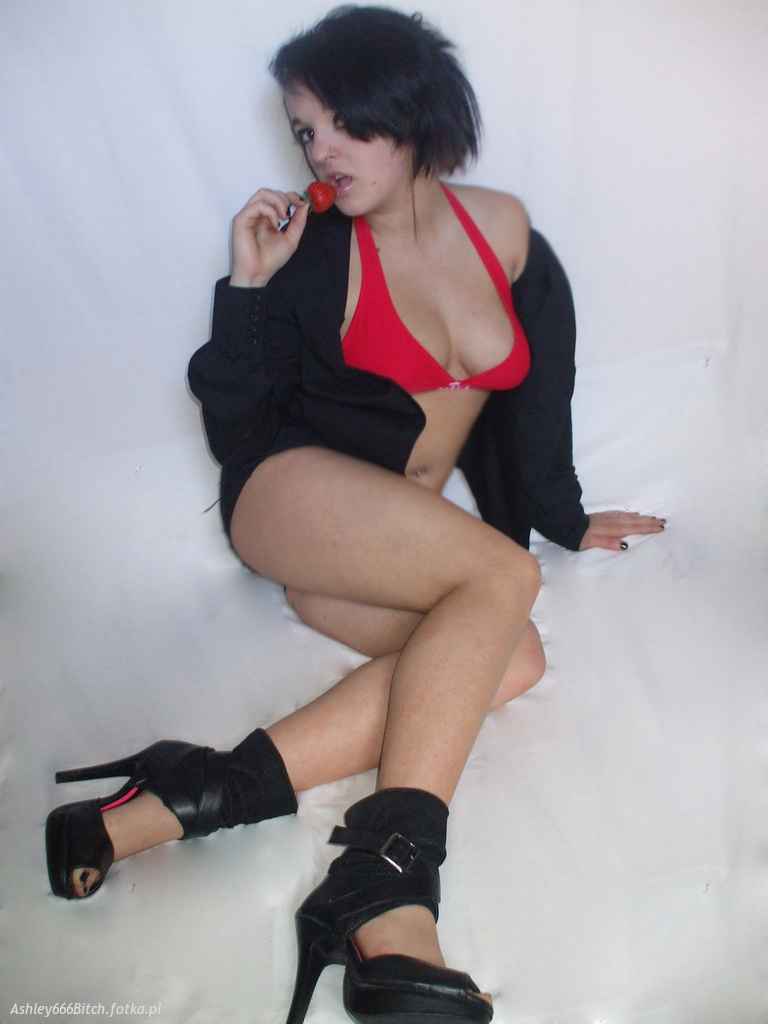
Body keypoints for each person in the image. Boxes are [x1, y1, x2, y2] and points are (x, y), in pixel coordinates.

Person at [45, 6, 665, 1022]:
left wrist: (562, 513)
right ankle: (385, 889)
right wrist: (248, 285)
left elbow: (539, 387)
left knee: (513, 657)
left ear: (412, 113)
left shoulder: (505, 231)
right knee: (502, 580)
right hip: (288, 498)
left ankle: (162, 806)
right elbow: (236, 420)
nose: (321, 151)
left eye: (345, 122)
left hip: (394, 542)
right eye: (306, 130)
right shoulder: (314, 251)